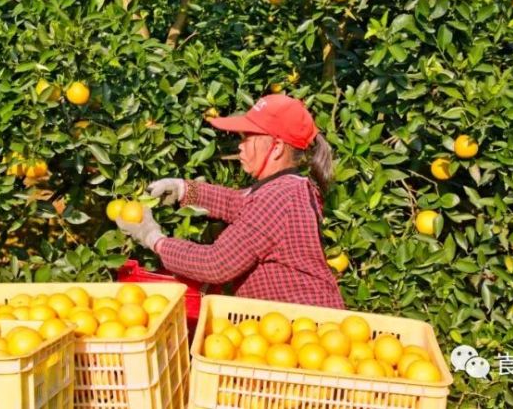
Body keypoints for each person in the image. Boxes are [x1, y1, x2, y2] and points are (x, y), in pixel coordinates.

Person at [117, 94, 345, 308]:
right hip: (291, 329)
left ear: (276, 148)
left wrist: (154, 239)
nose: (240, 144)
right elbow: (235, 203)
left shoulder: (280, 197)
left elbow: (216, 264)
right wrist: (183, 189)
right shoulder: (288, 186)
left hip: (305, 331)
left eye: (248, 137)